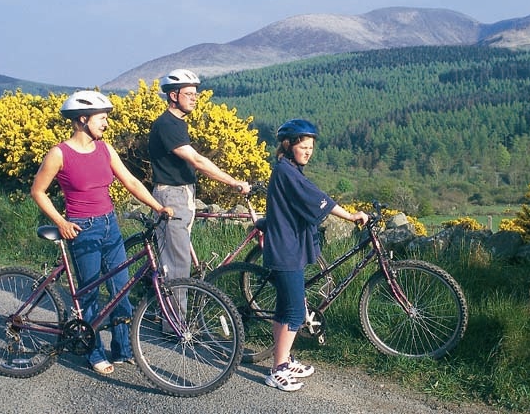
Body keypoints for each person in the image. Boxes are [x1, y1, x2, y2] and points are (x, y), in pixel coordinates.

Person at [31, 90, 174, 376]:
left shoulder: (105, 149)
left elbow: (131, 181)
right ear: (83, 119)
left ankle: (123, 349)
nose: (106, 124)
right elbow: (38, 191)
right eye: (102, 118)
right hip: (82, 228)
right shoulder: (60, 153)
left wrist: (158, 206)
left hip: (110, 224)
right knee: (90, 293)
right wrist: (61, 222)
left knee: (121, 289)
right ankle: (92, 351)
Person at [263, 118, 369, 391]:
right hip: (286, 249)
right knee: (295, 311)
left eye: (311, 147)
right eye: (303, 147)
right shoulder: (286, 172)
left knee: (284, 307)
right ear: (288, 145)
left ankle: (283, 359)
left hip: (288, 246)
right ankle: (278, 369)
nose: (308, 152)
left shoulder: (288, 169)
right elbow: (316, 198)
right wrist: (350, 216)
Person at [148, 68, 250, 286]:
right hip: (172, 195)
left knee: (178, 260)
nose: (194, 99)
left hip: (182, 193)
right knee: (178, 267)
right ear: (173, 95)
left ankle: (171, 304)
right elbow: (197, 160)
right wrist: (233, 182)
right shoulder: (167, 124)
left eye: (196, 94)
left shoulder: (178, 123)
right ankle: (176, 310)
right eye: (189, 94)